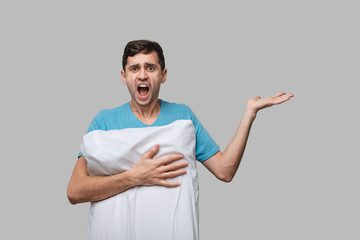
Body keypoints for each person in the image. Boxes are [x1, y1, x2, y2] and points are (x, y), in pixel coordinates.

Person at [67, 39, 294, 240]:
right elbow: (75, 191)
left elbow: (225, 170)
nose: (143, 74)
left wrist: (249, 114)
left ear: (163, 75)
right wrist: (135, 177)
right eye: (134, 68)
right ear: (124, 76)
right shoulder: (104, 122)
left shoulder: (182, 117)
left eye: (151, 67)